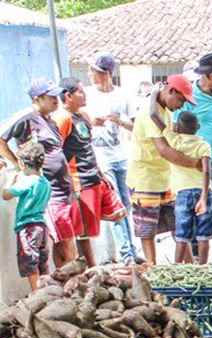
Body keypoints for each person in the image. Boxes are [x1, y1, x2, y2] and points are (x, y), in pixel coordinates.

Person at [0, 79, 81, 267]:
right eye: (50, 96)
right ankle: (70, 280)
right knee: (66, 246)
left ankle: (66, 281)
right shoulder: (26, 117)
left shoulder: (51, 121)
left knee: (65, 243)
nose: (56, 99)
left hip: (64, 190)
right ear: (37, 99)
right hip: (50, 192)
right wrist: (17, 163)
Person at [163, 53, 212, 262]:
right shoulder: (189, 97)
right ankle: (196, 254)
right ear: (209, 75)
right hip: (198, 163)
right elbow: (176, 128)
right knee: (198, 206)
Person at [125, 75, 198, 264]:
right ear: (171, 91)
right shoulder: (149, 114)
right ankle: (153, 269)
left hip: (164, 179)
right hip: (145, 180)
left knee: (179, 227)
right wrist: (195, 164)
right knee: (147, 231)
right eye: (181, 100)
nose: (181, 106)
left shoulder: (163, 110)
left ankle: (191, 267)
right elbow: (164, 150)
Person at [56, 77, 125, 267]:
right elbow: (56, 151)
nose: (84, 94)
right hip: (78, 180)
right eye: (80, 91)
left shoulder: (83, 116)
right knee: (82, 231)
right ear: (68, 96)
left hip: (93, 177)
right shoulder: (63, 118)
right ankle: (89, 268)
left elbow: (87, 148)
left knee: (116, 213)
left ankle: (90, 267)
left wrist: (100, 174)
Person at [86, 53, 138, 263]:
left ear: (105, 74)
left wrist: (119, 121)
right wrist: (92, 122)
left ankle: (131, 249)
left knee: (126, 203)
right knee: (115, 203)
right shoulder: (87, 95)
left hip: (121, 154)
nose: (90, 75)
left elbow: (136, 126)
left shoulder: (122, 95)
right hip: (100, 156)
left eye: (94, 71)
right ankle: (127, 253)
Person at [1, 141, 51, 290]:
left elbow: (6, 195)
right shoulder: (45, 182)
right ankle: (47, 291)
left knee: (30, 261)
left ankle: (36, 292)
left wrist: (11, 181)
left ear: (22, 163)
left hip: (28, 227)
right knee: (42, 262)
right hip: (41, 225)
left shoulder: (28, 181)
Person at [166, 111, 212, 264]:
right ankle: (203, 269)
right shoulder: (204, 145)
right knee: (204, 236)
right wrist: (204, 198)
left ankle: (176, 269)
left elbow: (155, 118)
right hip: (204, 192)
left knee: (181, 237)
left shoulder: (174, 141)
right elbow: (206, 171)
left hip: (183, 194)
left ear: (177, 127)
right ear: (198, 127)